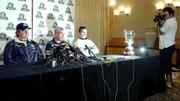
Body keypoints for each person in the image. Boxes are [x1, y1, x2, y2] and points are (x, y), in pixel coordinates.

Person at [159, 7, 177, 88]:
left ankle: (168, 82)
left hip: (167, 46)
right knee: (167, 64)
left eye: (166, 15)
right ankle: (170, 81)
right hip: (168, 45)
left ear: (171, 14)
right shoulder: (173, 20)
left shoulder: (169, 21)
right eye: (164, 15)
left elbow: (162, 31)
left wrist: (160, 22)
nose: (164, 16)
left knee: (166, 64)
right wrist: (162, 20)